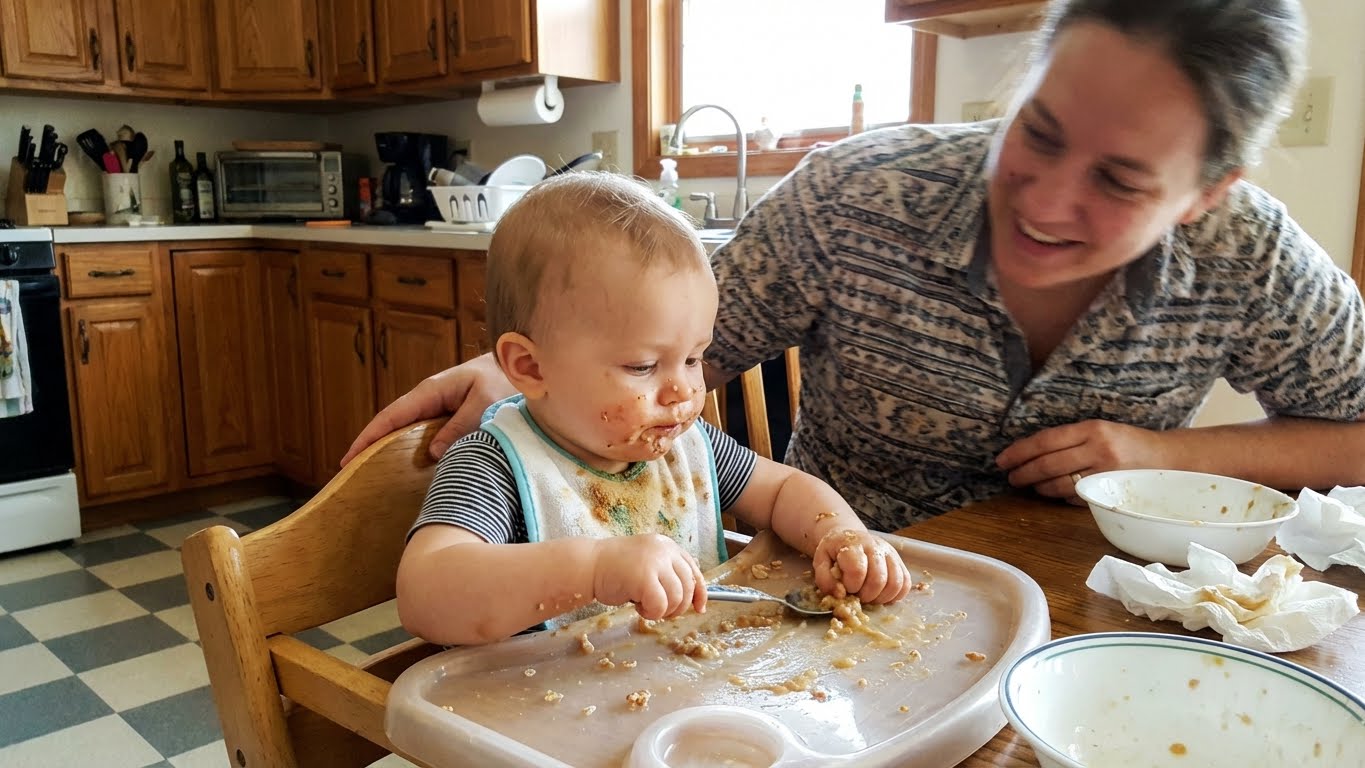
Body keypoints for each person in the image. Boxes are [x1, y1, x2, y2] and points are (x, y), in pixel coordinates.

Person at [350, 0, 1365, 535]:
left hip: (1081, 620)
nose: (1048, 202)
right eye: (1039, 132)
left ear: (1204, 196)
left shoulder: (1251, 256)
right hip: (839, 593)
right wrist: (536, 386)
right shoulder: (857, 195)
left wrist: (1167, 456)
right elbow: (676, 357)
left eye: (1122, 181)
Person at [396, 173, 912, 646]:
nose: (682, 391)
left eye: (693, 359)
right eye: (643, 367)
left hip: (686, 690)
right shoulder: (496, 466)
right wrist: (593, 568)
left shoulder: (685, 449)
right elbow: (425, 595)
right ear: (530, 367)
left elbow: (783, 490)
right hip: (553, 719)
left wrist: (841, 534)